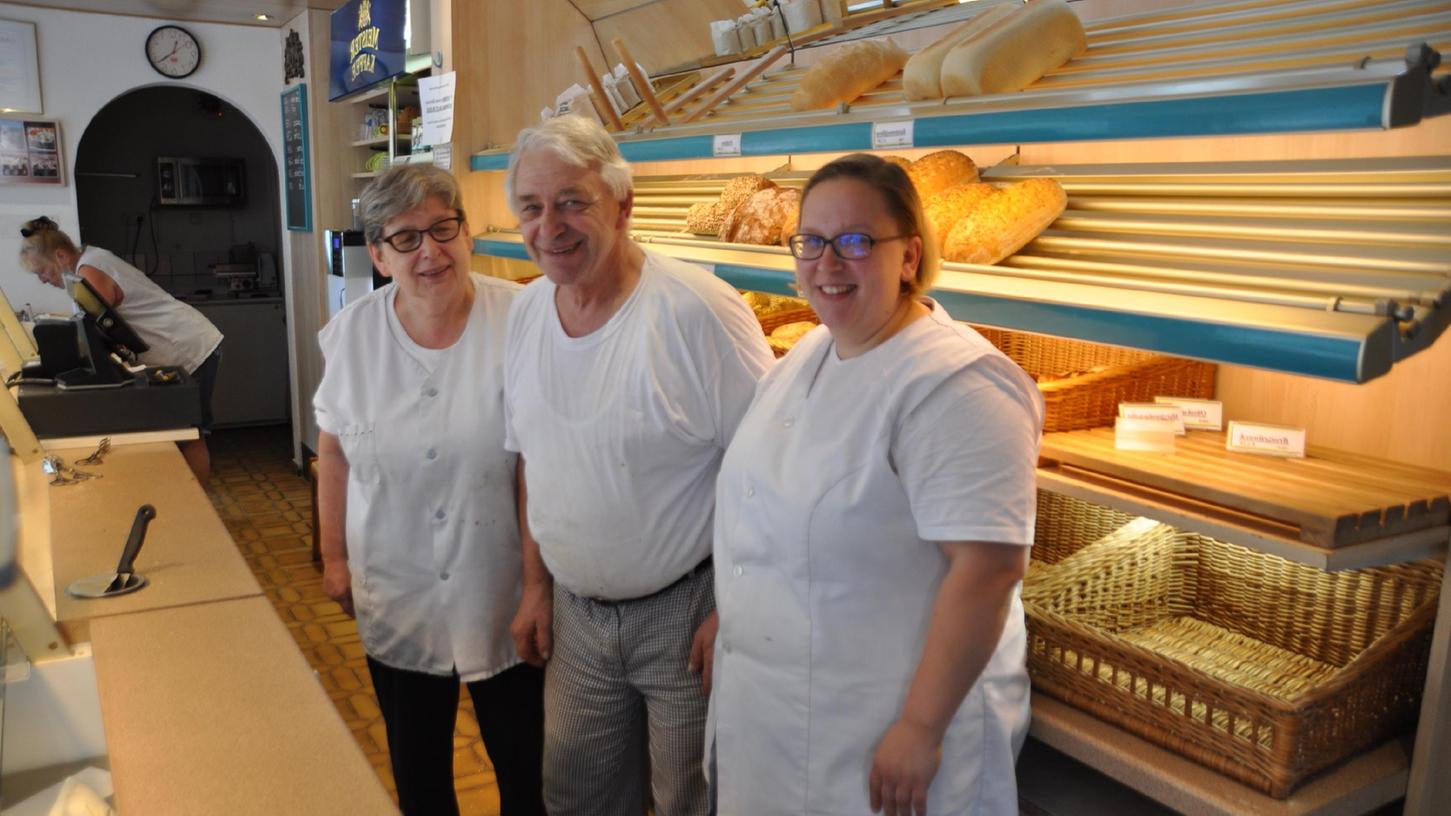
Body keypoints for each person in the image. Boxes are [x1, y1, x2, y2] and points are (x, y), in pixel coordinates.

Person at [709, 153, 1045, 816]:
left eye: (856, 242)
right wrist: (739, 609)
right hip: (783, 715)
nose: (827, 264)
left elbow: (987, 571)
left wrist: (920, 728)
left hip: (883, 732)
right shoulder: (810, 351)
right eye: (811, 242)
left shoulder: (957, 385)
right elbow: (771, 505)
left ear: (909, 256)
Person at [502, 114, 774, 816]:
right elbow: (534, 459)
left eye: (571, 201)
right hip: (576, 617)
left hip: (686, 614)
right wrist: (535, 586)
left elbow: (769, 473)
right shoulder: (526, 314)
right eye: (531, 207)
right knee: (575, 796)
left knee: (691, 798)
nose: (549, 226)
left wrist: (735, 608)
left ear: (622, 206)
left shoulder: (698, 312)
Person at [313, 164, 545, 816]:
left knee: (525, 771)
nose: (430, 252)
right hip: (395, 587)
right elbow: (332, 451)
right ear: (380, 255)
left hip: (500, 587)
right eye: (406, 238)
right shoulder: (352, 334)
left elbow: (534, 465)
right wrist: (334, 558)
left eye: (443, 229)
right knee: (419, 776)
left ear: (467, 234)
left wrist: (536, 587)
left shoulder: (523, 319)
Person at [18, 216, 223, 482]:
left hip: (189, 346)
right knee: (179, 428)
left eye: (42, 271)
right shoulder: (86, 265)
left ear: (60, 255)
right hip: (174, 348)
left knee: (189, 431)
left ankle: (198, 506)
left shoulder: (90, 270)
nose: (43, 280)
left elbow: (98, 327)